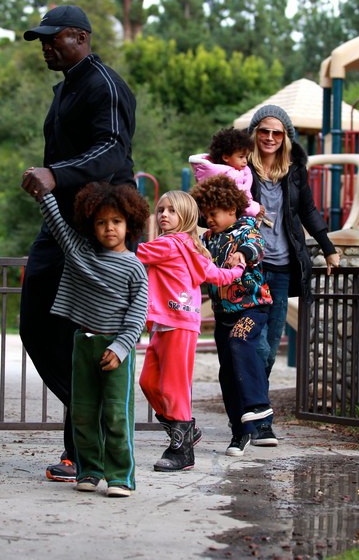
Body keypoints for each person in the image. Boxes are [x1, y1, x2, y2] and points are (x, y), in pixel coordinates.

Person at [20, 4, 137, 482]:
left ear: (80, 37)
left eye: (54, 38)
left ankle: (81, 452)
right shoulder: (68, 86)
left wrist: (56, 173)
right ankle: (89, 414)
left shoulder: (104, 85)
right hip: (60, 221)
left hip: (98, 223)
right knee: (35, 324)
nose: (46, 46)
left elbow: (112, 150)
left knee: (85, 334)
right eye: (43, 40)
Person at [25, 181, 149, 497]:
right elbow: (58, 225)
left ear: (130, 224)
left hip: (116, 350)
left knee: (116, 415)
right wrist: (44, 195)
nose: (109, 228)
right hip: (84, 345)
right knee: (82, 413)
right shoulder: (81, 254)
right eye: (101, 222)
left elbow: (138, 316)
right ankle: (89, 470)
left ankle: (120, 477)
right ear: (91, 225)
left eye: (116, 221)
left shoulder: (135, 267)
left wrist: (121, 348)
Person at [247, 104, 340, 447]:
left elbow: (308, 211)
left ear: (285, 137)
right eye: (264, 131)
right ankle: (256, 417)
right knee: (249, 344)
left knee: (270, 348)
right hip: (249, 269)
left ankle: (255, 412)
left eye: (277, 132)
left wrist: (328, 246)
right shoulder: (242, 170)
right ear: (255, 133)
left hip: (284, 268)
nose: (270, 138)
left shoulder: (295, 172)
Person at [135, 191, 247, 471]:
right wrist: (236, 269)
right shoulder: (188, 246)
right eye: (161, 209)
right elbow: (217, 275)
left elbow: (135, 253)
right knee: (149, 382)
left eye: (172, 211)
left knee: (174, 387)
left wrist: (103, 240)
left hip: (179, 323)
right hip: (164, 323)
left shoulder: (170, 244)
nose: (164, 215)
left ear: (186, 217)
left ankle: (182, 451)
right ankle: (185, 428)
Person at [190, 175, 274, 457]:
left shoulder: (246, 229)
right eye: (205, 213)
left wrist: (241, 255)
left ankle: (258, 406)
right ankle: (240, 432)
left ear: (231, 209)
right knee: (227, 371)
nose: (208, 218)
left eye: (213, 213)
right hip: (223, 313)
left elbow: (256, 247)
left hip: (252, 308)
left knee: (241, 340)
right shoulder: (206, 239)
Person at [188, 127, 263, 219]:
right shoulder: (230, 175)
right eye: (241, 157)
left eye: (246, 157)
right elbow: (238, 200)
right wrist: (256, 209)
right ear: (226, 157)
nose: (245, 161)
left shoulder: (217, 172)